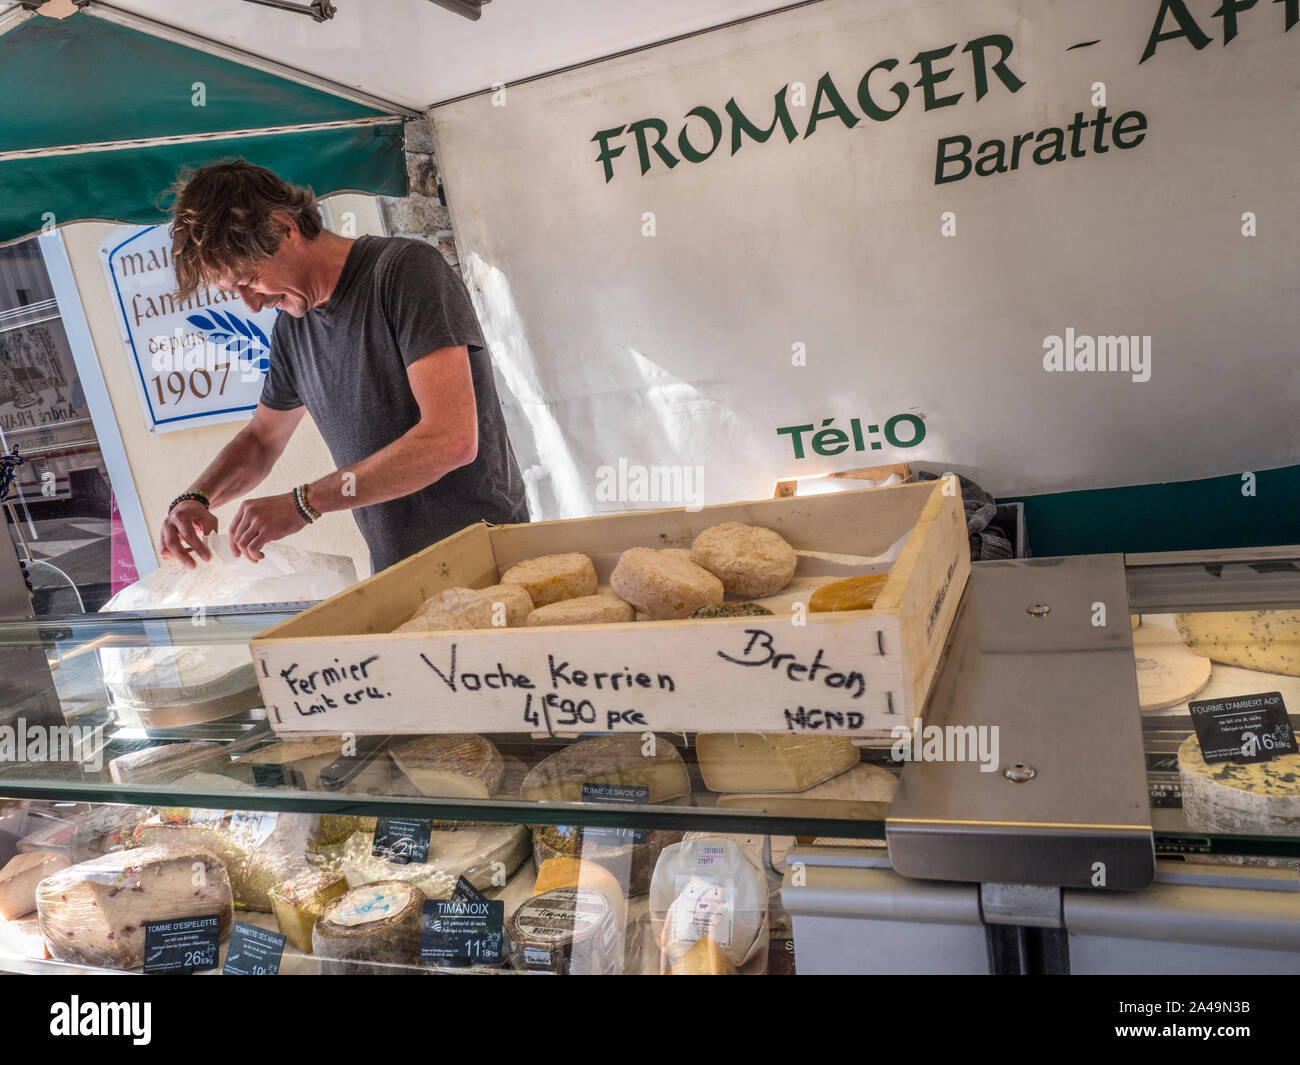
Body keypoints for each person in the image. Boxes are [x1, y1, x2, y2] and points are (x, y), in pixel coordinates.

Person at [158, 160, 528, 575]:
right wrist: (196, 498)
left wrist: (304, 504)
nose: (250, 304)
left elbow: (450, 439)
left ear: (284, 227)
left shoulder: (405, 273)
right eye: (233, 292)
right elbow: (261, 440)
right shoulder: (292, 330)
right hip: (397, 573)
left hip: (488, 559)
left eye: (249, 279)